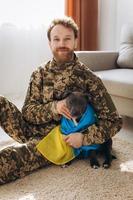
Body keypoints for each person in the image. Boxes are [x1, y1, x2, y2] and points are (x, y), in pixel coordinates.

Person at [0, 17, 122, 185]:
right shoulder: (39, 73)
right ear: (50, 43)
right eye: (56, 39)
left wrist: (84, 138)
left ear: (75, 42)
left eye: (67, 38)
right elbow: (27, 112)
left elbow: (114, 121)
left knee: (6, 160)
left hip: (56, 142)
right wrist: (53, 107)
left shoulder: (89, 79)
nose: (62, 43)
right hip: (30, 129)